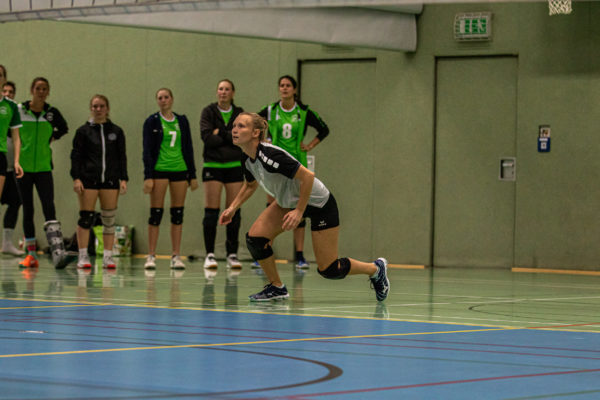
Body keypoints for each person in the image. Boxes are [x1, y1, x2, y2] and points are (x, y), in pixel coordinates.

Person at [219, 113, 389, 302]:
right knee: (255, 240)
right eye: (234, 125)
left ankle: (375, 269)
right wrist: (233, 207)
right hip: (288, 202)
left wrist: (299, 211)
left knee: (330, 269)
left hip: (319, 204)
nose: (235, 129)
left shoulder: (269, 155)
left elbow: (307, 176)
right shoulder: (247, 158)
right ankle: (277, 287)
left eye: (241, 126)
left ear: (255, 133)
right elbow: (250, 185)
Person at [258, 75, 330, 269]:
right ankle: (265, 252)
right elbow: (255, 125)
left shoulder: (303, 111)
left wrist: (309, 145)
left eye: (288, 85)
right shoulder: (271, 110)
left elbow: (324, 129)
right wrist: (265, 141)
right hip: (275, 165)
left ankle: (299, 255)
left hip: (297, 165)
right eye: (281, 85)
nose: (284, 88)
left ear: (294, 90)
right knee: (272, 207)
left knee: (299, 208)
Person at [142, 88, 198, 270]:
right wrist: (148, 176)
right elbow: (147, 150)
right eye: (160, 98)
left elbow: (188, 147)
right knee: (156, 214)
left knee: (178, 213)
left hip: (180, 170)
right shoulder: (152, 121)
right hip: (159, 170)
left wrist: (193, 174)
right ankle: (151, 255)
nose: (163, 100)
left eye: (166, 97)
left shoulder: (181, 121)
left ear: (172, 99)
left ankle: (176, 255)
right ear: (157, 101)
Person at [71, 94, 128, 269]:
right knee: (86, 218)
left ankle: (108, 257)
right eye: (95, 106)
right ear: (91, 108)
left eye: (101, 106)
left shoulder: (116, 132)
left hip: (110, 181)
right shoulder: (83, 131)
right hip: (88, 181)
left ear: (107, 108)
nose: (98, 109)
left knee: (109, 220)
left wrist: (123, 178)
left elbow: (121, 157)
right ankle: (83, 256)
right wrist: (76, 178)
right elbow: (76, 156)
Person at [17, 77, 67, 268]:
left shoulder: (52, 113)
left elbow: (63, 128)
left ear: (48, 92)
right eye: (38, 88)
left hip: (44, 167)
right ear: (31, 90)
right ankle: (31, 255)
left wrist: (49, 140)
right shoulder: (20, 110)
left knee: (49, 207)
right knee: (28, 209)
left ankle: (57, 251)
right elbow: (9, 131)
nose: (41, 91)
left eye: (44, 88)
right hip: (23, 168)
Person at [199, 79, 244, 270]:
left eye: (227, 89)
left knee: (233, 209)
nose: (223, 92)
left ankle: (232, 254)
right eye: (220, 89)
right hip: (213, 164)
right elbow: (207, 138)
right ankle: (209, 254)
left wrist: (221, 133)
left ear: (233, 92)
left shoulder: (240, 113)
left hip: (234, 165)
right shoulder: (208, 112)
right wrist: (229, 134)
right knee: (212, 210)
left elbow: (240, 138)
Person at [1, 79, 24, 255]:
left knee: (16, 201)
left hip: (8, 168)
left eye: (11, 92)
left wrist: (16, 162)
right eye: (5, 91)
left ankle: (7, 243)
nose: (7, 94)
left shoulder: (12, 109)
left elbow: (18, 138)